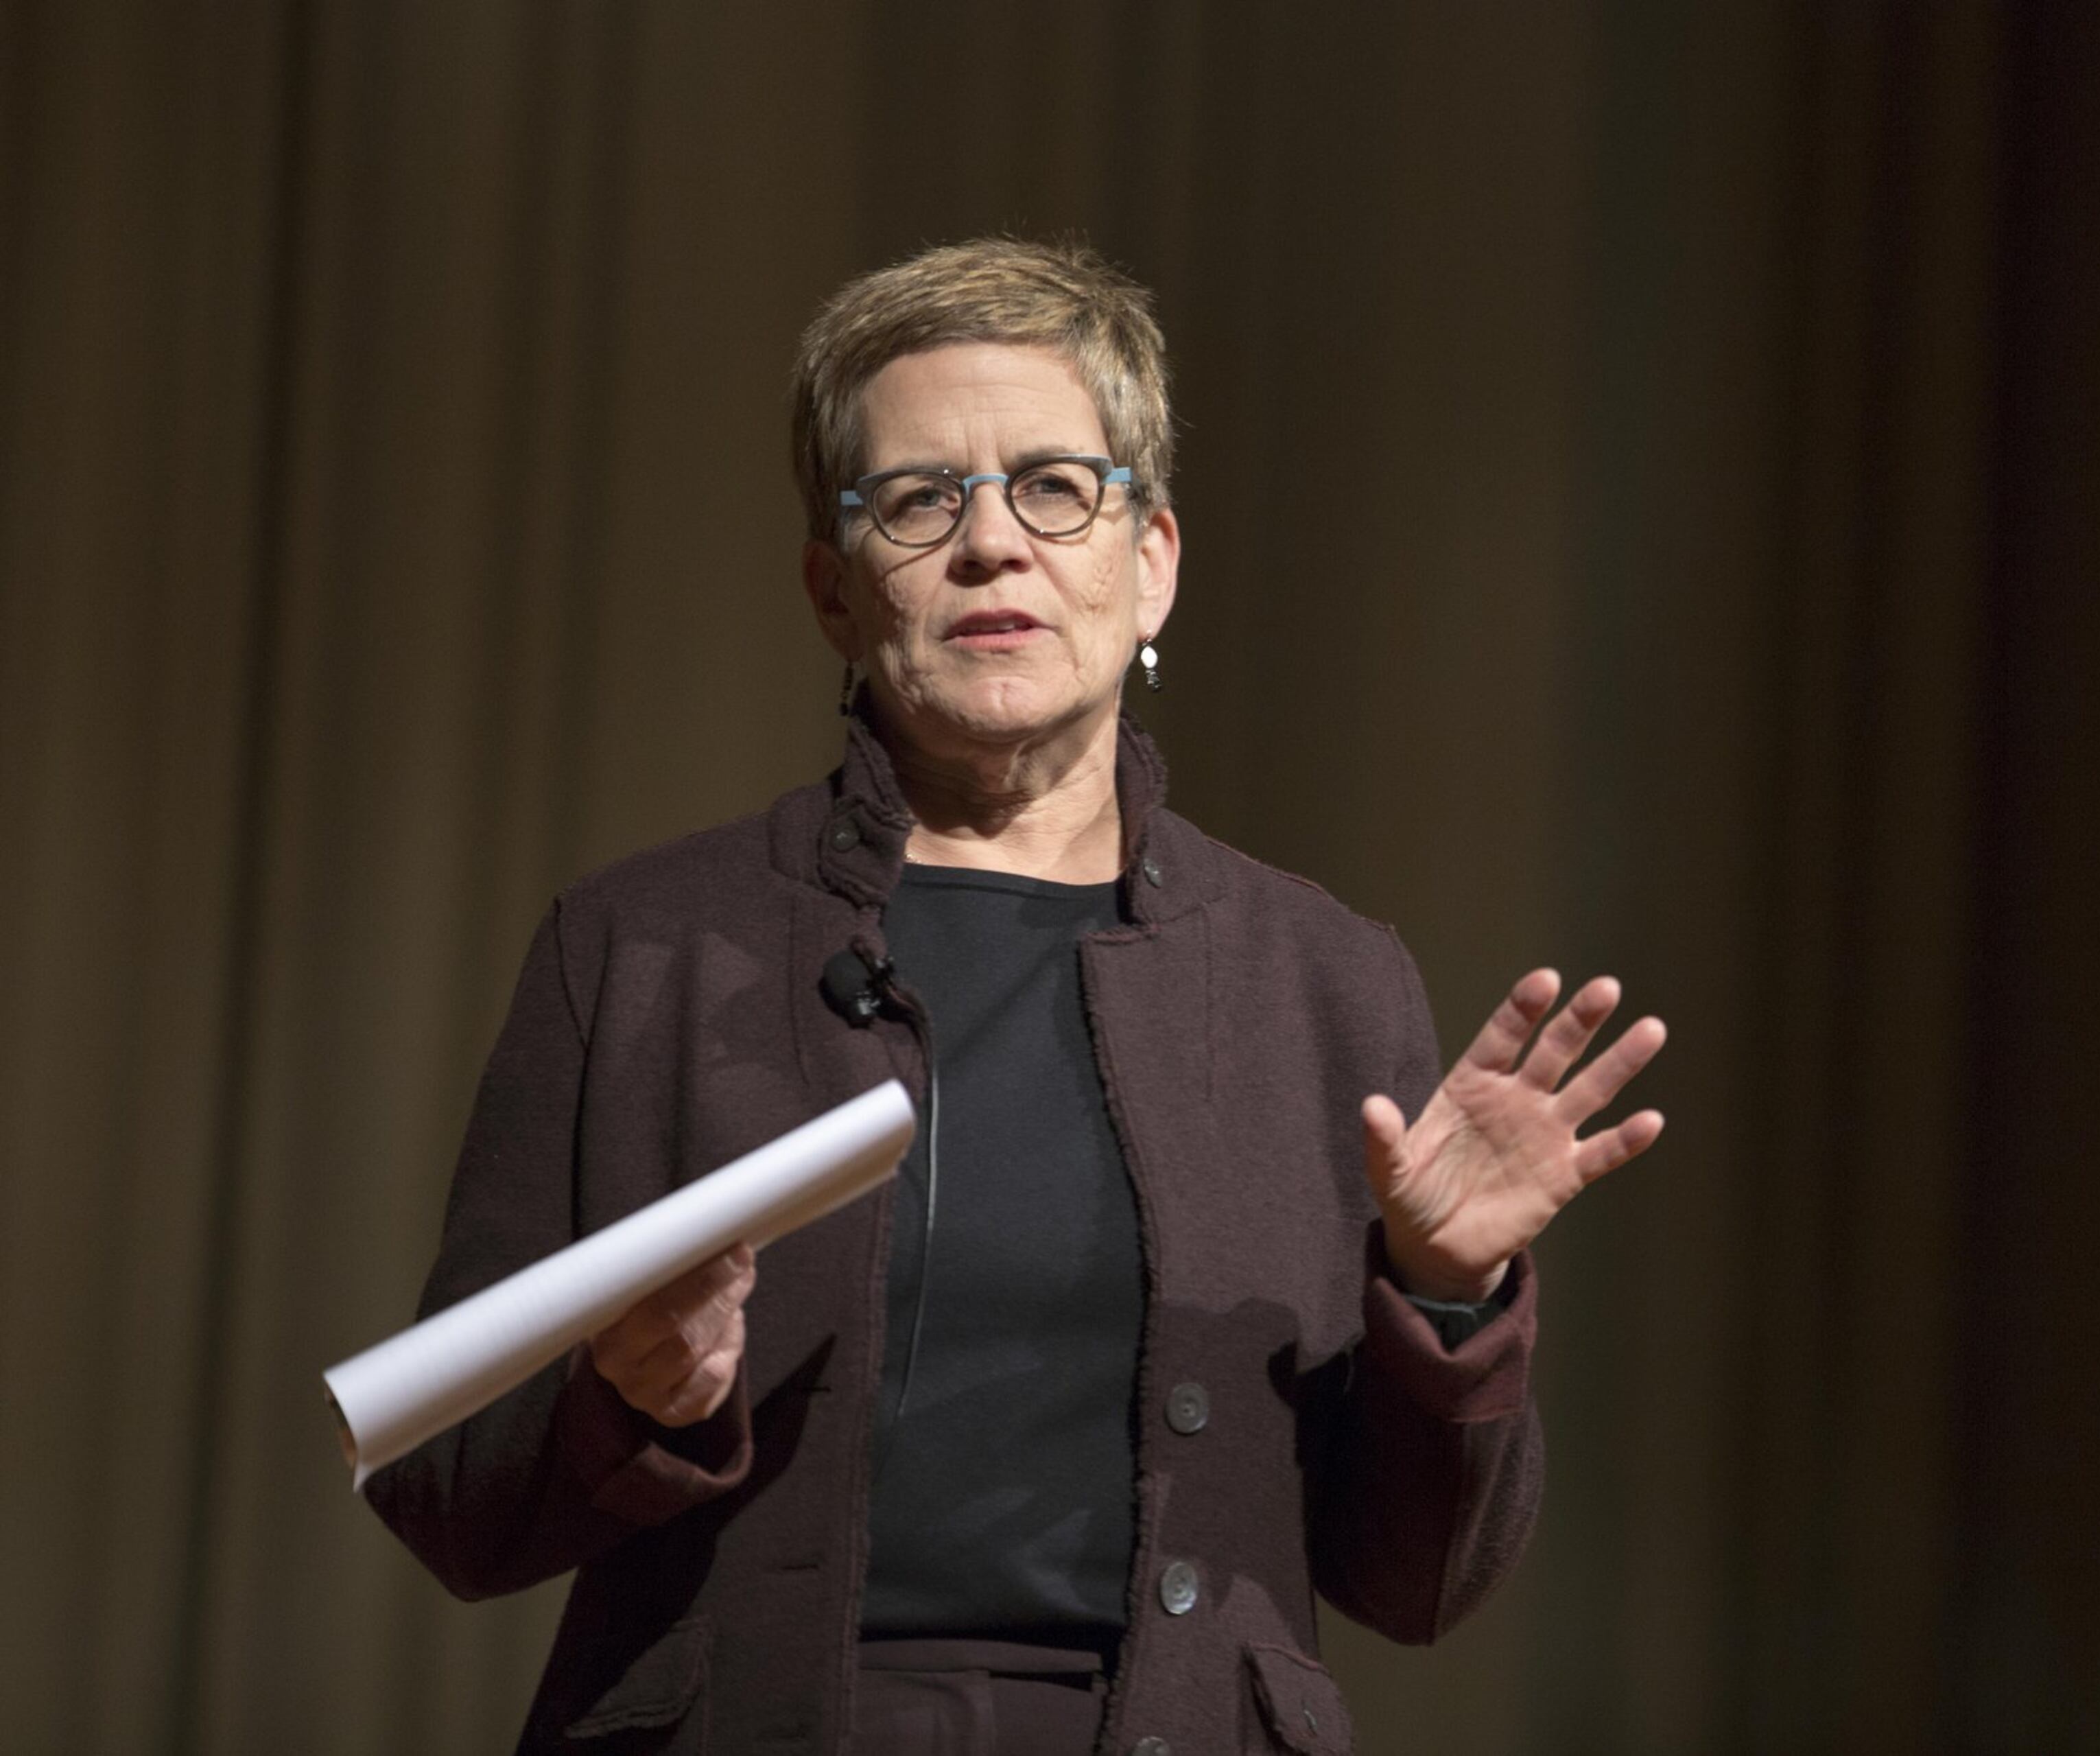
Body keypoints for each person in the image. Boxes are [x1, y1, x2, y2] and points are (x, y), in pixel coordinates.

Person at [367, 238, 1667, 1755]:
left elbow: (1419, 1579)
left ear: (1153, 560)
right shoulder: (644, 944)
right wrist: (628, 1397)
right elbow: (444, 1475)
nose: (994, 544)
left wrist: (1447, 1297)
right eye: (920, 500)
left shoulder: (1322, 976)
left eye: (1057, 486)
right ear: (834, 592)